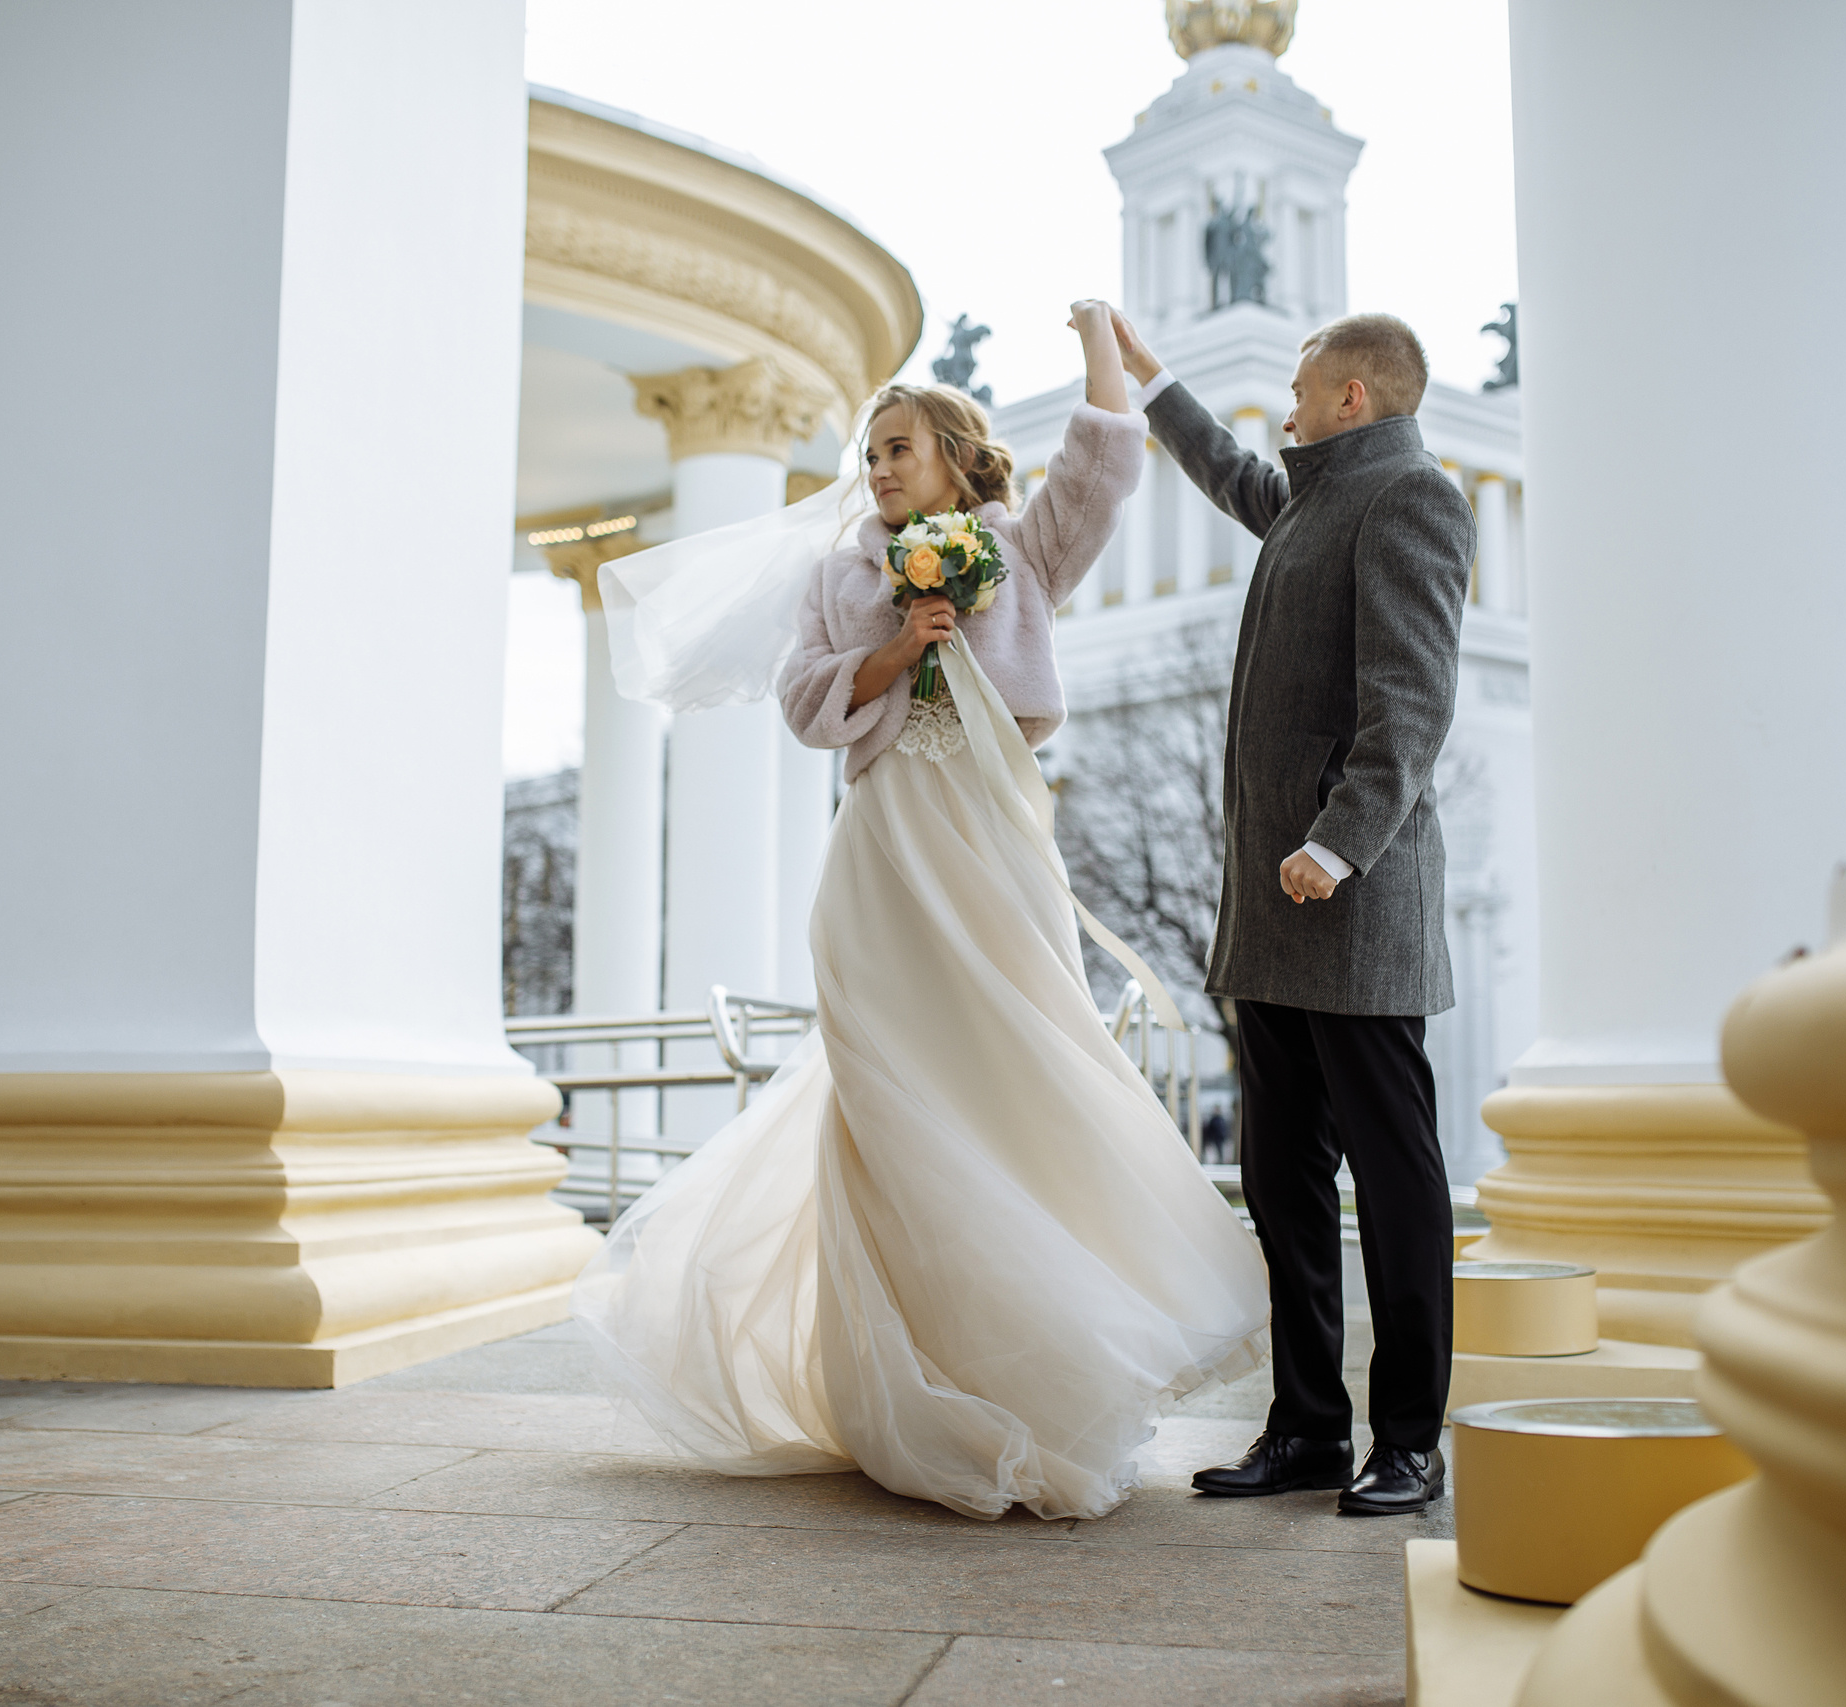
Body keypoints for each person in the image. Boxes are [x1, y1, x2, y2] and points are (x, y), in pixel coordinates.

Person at [573, 302, 1269, 1523]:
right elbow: (802, 701)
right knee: (893, 1097)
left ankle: (1045, 1376)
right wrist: (894, 652)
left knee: (1020, 1074)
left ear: (956, 455)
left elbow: (1107, 455)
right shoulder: (842, 577)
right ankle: (910, 1382)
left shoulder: (1024, 546)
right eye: (870, 456)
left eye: (898, 447)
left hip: (994, 839)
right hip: (886, 847)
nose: (879, 469)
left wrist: (1099, 336)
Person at [1111, 308, 1472, 1516]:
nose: (1289, 408)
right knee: (1282, 1181)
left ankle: (1407, 1439)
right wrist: (1148, 376)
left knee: (1397, 1179)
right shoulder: (1314, 500)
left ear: (1356, 397)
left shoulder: (1409, 500)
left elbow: (1409, 706)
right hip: (1273, 915)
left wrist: (1335, 842)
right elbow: (1230, 469)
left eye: (1306, 392)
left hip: (1349, 903)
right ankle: (1309, 1429)